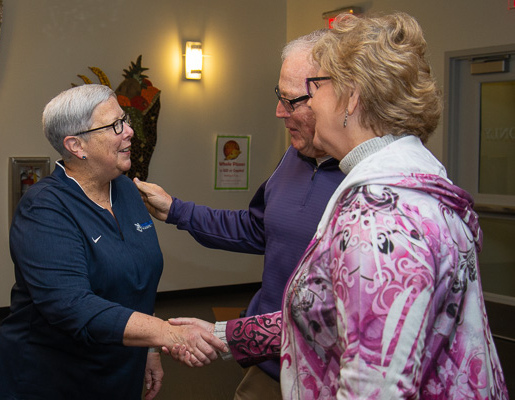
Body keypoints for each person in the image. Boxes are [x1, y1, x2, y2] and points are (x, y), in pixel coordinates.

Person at [168, 12, 509, 399]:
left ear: (353, 97)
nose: (303, 105)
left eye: (313, 90)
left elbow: (375, 389)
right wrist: (223, 334)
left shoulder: (380, 222)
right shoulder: (412, 184)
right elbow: (337, 316)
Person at [134, 30, 345, 400]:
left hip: (333, 376)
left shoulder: (372, 185)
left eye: (292, 101)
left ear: (339, 98)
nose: (280, 112)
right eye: (278, 96)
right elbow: (257, 229)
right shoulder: (293, 157)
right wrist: (177, 210)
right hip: (269, 364)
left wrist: (224, 335)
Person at [0, 84, 227, 400]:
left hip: (118, 370)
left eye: (125, 120)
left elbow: (135, 281)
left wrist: (150, 348)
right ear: (76, 145)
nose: (129, 131)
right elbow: (72, 306)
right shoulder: (44, 208)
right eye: (115, 125)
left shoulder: (128, 191)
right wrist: (170, 334)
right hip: (51, 380)